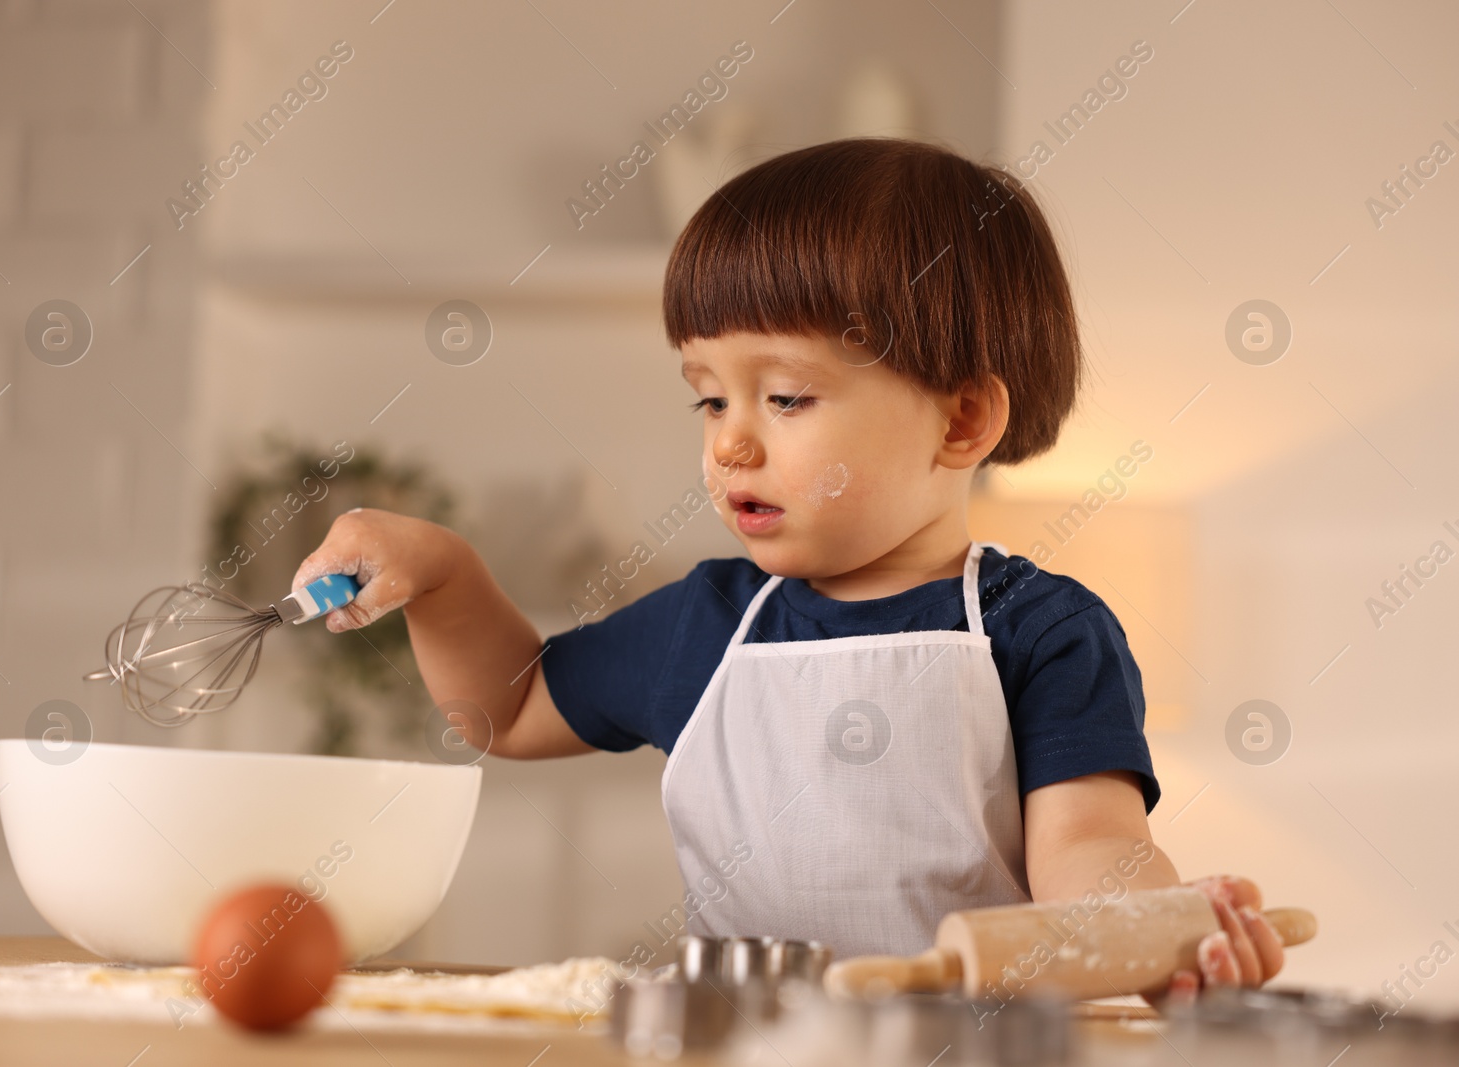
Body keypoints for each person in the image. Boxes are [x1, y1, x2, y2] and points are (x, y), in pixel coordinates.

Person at [294, 137, 1285, 999]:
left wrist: (1160, 932)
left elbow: (1089, 851)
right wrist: (443, 572)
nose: (729, 445)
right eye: (709, 399)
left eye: (786, 397)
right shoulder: (704, 624)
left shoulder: (1039, 630)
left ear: (961, 418)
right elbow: (504, 711)